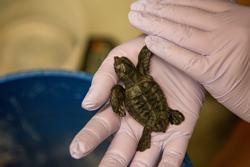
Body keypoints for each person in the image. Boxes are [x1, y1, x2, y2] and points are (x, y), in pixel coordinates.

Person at [70, 0, 250, 166]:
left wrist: (156, 42)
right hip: (163, 108)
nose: (118, 61)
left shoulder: (122, 88)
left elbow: (139, 61)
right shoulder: (140, 73)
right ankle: (166, 117)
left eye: (119, 65)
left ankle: (152, 129)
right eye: (119, 65)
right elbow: (144, 57)